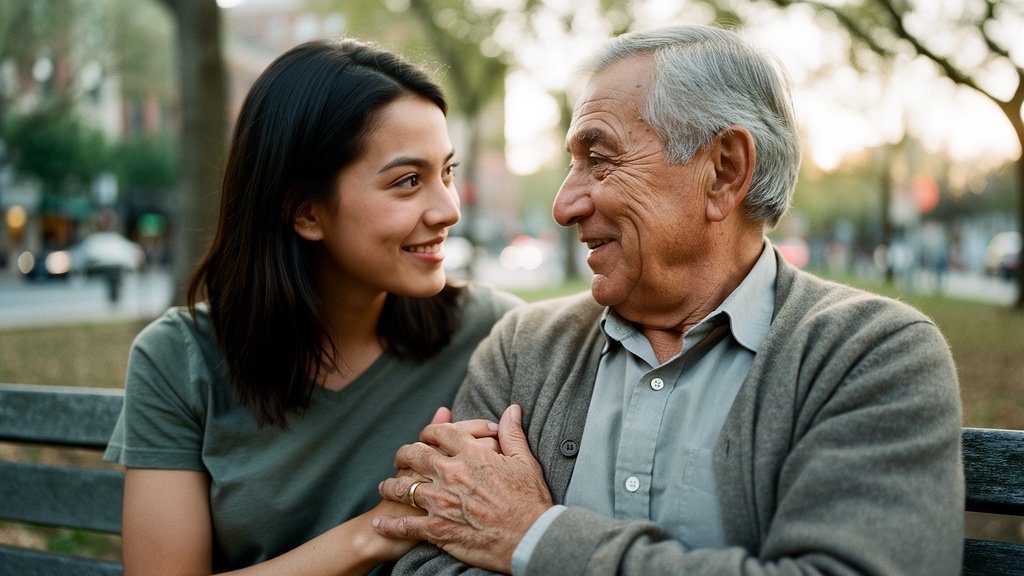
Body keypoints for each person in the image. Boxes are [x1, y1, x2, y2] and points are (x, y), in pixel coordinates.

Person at [373, 24, 964, 575]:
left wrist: (533, 536)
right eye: (571, 165)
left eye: (599, 160)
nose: (564, 205)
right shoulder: (524, 349)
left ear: (724, 172)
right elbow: (432, 563)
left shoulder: (873, 353)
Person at [103, 38, 521, 576]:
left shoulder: (492, 333)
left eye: (446, 172)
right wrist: (378, 529)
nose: (449, 209)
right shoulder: (179, 360)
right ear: (306, 212)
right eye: (408, 181)